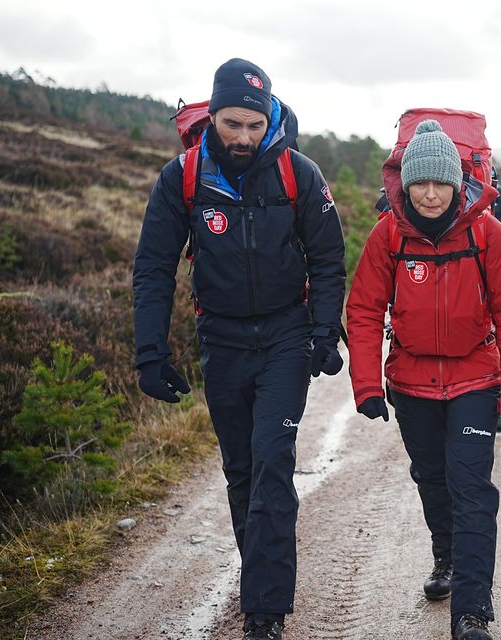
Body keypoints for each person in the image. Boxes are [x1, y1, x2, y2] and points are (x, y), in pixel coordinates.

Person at [133, 58, 346, 640]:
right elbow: (153, 267)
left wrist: (324, 332)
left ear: (269, 115)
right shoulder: (183, 177)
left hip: (285, 335)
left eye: (255, 124)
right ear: (213, 117)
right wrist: (149, 353)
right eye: (233, 124)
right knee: (242, 470)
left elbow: (328, 257)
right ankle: (260, 582)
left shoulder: (299, 173)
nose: (245, 137)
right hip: (221, 337)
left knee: (272, 462)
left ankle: (265, 612)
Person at [346, 120, 501, 640]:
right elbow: (363, 309)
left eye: (440, 183)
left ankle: (472, 612)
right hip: (410, 381)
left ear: (457, 183)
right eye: (420, 183)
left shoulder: (487, 234)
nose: (430, 194)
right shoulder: (387, 236)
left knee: (471, 487)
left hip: (476, 378)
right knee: (432, 478)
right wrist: (366, 384)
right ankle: (446, 556)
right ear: (404, 185)